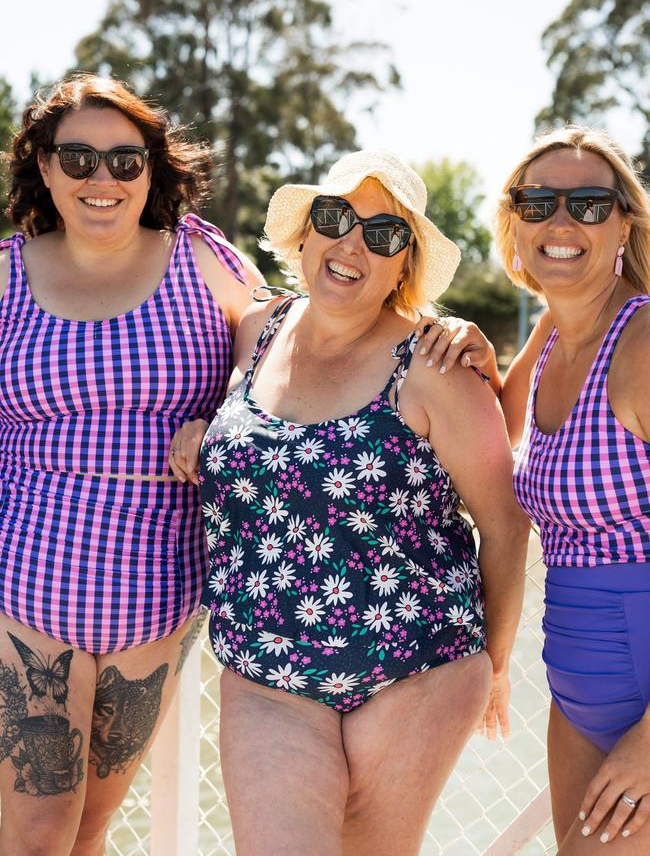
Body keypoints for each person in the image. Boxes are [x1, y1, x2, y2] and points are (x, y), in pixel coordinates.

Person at [170, 149, 529, 854]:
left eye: (384, 234)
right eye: (335, 217)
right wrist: (202, 427)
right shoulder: (256, 331)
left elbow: (506, 523)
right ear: (305, 232)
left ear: (405, 265)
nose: (352, 245)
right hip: (268, 672)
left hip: (415, 667)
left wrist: (497, 662)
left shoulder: (437, 368)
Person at [0, 74, 261, 855]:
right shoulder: (6, 272)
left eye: (125, 158)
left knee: (89, 826)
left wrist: (224, 409)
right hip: (26, 576)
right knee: (37, 829)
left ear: (153, 168)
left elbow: (275, 332)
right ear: (43, 167)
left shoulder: (202, 256)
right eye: (76, 157)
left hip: (159, 589)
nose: (102, 178)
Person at [419, 126, 650, 853]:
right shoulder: (552, 330)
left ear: (624, 224)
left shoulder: (642, 348)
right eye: (537, 201)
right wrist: (475, 352)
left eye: (587, 202)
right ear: (512, 223)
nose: (560, 221)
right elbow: (492, 431)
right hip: (579, 676)